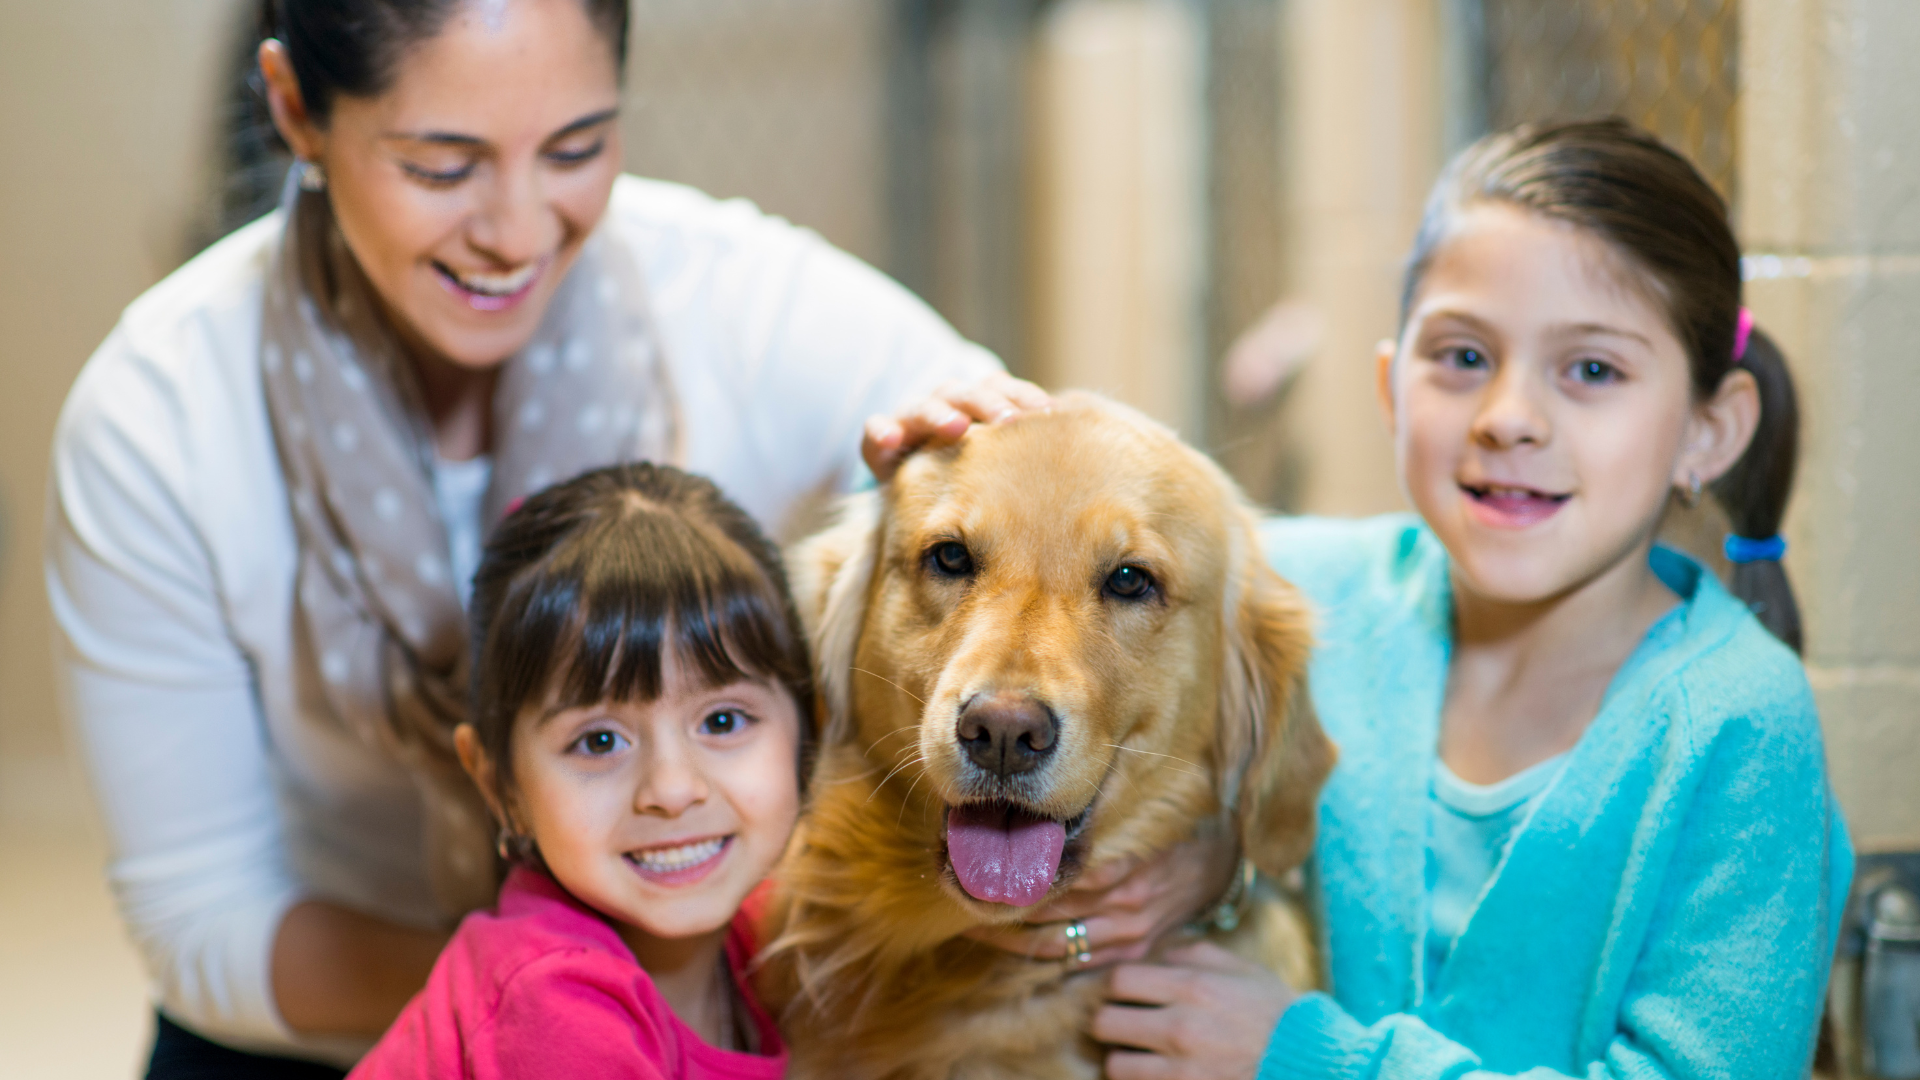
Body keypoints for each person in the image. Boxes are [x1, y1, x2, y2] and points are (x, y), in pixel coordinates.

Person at [46, 0, 1040, 1073]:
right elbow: (208, 925)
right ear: (295, 109)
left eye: (576, 148)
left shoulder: (743, 300)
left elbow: (1088, 513)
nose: (516, 231)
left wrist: (1163, 870)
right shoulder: (160, 417)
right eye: (441, 166)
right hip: (301, 1034)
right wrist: (556, 989)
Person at [988, 120, 1852, 1079]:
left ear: (1709, 431)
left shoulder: (1738, 724)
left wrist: (1310, 1062)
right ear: (1392, 386)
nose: (1509, 418)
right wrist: (1214, 859)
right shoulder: (1300, 593)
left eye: (1593, 370)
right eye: (1464, 357)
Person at [349, 462, 810, 1079]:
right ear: (498, 785)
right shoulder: (554, 1006)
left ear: (812, 727)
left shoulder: (763, 925)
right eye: (599, 741)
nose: (672, 790)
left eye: (722, 722)